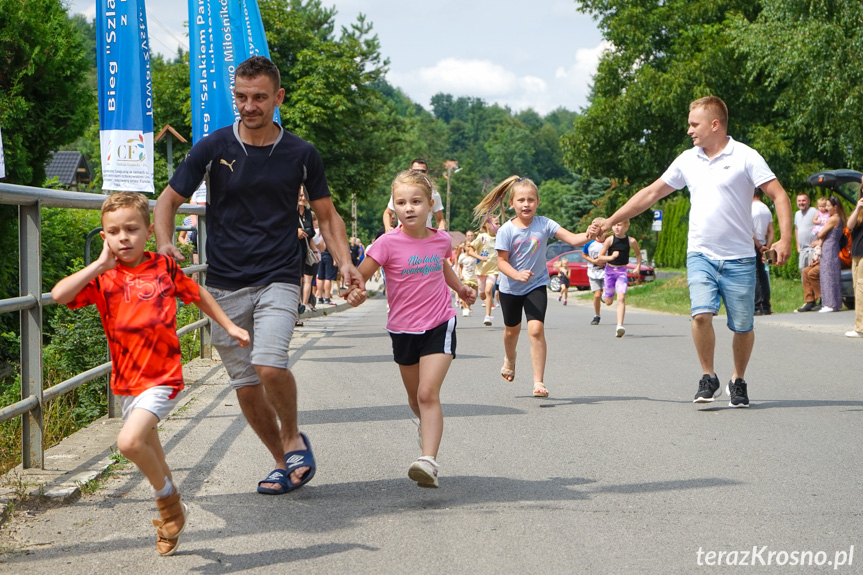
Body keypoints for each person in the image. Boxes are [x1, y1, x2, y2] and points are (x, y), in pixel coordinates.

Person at [154, 55, 364, 495]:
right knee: (246, 385)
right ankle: (283, 462)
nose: (249, 106)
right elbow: (167, 201)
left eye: (259, 98)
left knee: (269, 366)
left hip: (278, 276)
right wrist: (165, 242)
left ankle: (292, 438)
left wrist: (345, 263)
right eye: (242, 97)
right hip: (224, 283)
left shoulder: (301, 153)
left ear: (278, 98)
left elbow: (327, 215)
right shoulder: (213, 147)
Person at [51, 192, 250, 555]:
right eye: (114, 231)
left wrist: (230, 326)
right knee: (152, 450)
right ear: (104, 237)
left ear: (148, 231)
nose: (123, 237)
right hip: (128, 381)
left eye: (131, 228)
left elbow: (199, 294)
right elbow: (59, 295)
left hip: (163, 375)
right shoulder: (104, 277)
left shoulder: (164, 267)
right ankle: (175, 516)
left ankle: (168, 504)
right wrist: (98, 265)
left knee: (129, 443)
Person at [588, 96, 792, 408]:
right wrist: (610, 221)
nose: (689, 131)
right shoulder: (687, 160)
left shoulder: (746, 156)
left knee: (743, 326)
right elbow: (652, 193)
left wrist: (785, 239)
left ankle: (737, 379)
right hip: (701, 254)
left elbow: (779, 195)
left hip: (739, 257)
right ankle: (708, 376)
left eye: (694, 124)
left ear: (715, 124)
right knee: (700, 314)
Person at [344, 170, 475, 488]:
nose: (409, 208)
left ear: (430, 205)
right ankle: (423, 425)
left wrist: (460, 289)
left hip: (439, 321)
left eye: (416, 201)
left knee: (428, 393)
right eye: (401, 202)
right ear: (394, 207)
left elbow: (441, 264)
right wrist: (355, 292)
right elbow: (359, 278)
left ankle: (428, 461)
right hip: (402, 328)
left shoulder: (441, 239)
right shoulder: (386, 244)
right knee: (415, 397)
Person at [475, 175, 591, 398]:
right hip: (510, 287)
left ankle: (539, 381)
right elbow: (501, 262)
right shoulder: (506, 230)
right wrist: (516, 274)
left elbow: (574, 240)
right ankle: (510, 358)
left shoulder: (545, 224)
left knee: (536, 330)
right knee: (512, 332)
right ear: (512, 204)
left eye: (530, 200)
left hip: (536, 284)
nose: (526, 204)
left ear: (538, 202)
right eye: (521, 200)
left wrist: (592, 233)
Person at [598, 219, 641, 337]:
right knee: (608, 302)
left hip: (622, 272)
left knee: (621, 298)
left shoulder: (631, 241)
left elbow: (638, 254)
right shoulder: (609, 240)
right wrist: (611, 257)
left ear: (626, 227)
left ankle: (619, 326)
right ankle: (605, 294)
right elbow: (600, 257)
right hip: (609, 272)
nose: (616, 228)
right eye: (614, 225)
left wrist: (637, 266)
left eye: (619, 225)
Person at [382, 158, 446, 232]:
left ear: (426, 172)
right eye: (415, 171)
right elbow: (388, 212)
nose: (419, 173)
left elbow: (440, 219)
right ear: (410, 171)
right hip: (402, 236)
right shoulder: (401, 191)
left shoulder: (433, 194)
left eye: (422, 171)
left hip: (424, 236)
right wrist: (387, 227)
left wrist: (441, 228)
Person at [814, 196, 847, 313]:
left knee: (827, 274)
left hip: (829, 247)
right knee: (832, 274)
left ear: (835, 207)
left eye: (828, 206)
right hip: (833, 247)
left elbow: (821, 233)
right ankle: (836, 303)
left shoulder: (833, 219)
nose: (826, 208)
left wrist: (819, 231)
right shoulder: (839, 218)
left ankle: (829, 303)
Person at [468, 218, 499, 326]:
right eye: (496, 223)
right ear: (488, 225)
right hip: (481, 271)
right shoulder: (482, 237)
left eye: (499, 223)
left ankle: (488, 316)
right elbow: (470, 250)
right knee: (482, 295)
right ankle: (484, 298)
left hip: (493, 270)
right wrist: (479, 257)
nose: (498, 225)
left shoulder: (500, 238)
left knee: (488, 290)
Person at [751, 188, 774, 316]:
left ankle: (756, 305)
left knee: (754, 275)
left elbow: (749, 231)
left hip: (753, 245)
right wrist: (766, 246)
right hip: (765, 244)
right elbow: (771, 231)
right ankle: (766, 305)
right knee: (764, 274)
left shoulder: (748, 209)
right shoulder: (766, 209)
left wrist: (759, 246)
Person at [845, 185, 863, 337]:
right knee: (857, 287)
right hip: (857, 253)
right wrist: (858, 208)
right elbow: (849, 226)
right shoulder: (859, 210)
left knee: (861, 287)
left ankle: (860, 327)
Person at [297, 186, 316, 324]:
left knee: (303, 280)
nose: (302, 198)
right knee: (295, 281)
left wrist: (302, 231)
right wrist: (295, 231)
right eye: (300, 195)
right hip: (291, 251)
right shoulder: (291, 211)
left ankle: (300, 308)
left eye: (305, 196)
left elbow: (312, 232)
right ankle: (295, 312)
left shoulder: (308, 212)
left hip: (304, 251)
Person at [582, 231, 608, 325]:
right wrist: (594, 261)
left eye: (603, 232)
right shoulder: (590, 243)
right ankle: (597, 316)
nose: (601, 234)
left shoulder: (608, 242)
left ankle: (604, 296)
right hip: (594, 273)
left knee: (606, 296)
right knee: (597, 295)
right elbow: (584, 255)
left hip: (607, 273)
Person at [457, 237, 478, 317]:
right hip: (466, 276)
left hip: (473, 276)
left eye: (471, 246)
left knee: (473, 294)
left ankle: (468, 306)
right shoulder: (462, 256)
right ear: (465, 247)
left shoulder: (475, 256)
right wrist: (460, 274)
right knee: (466, 292)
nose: (469, 248)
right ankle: (466, 309)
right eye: (468, 246)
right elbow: (460, 266)